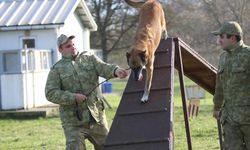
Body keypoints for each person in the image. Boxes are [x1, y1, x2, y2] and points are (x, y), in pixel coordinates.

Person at [45, 34, 128, 150]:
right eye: (68, 46)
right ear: (60, 49)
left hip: (96, 117)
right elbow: (50, 93)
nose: (73, 47)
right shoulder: (56, 69)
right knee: (75, 147)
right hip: (73, 122)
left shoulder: (89, 58)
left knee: (107, 146)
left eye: (73, 44)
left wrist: (115, 70)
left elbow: (103, 67)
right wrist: (73, 97)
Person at [212, 21, 250, 150]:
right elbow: (219, 86)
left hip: (247, 118)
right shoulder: (223, 58)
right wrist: (217, 107)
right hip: (229, 119)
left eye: (222, 37)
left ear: (232, 38)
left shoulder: (248, 55)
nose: (219, 40)